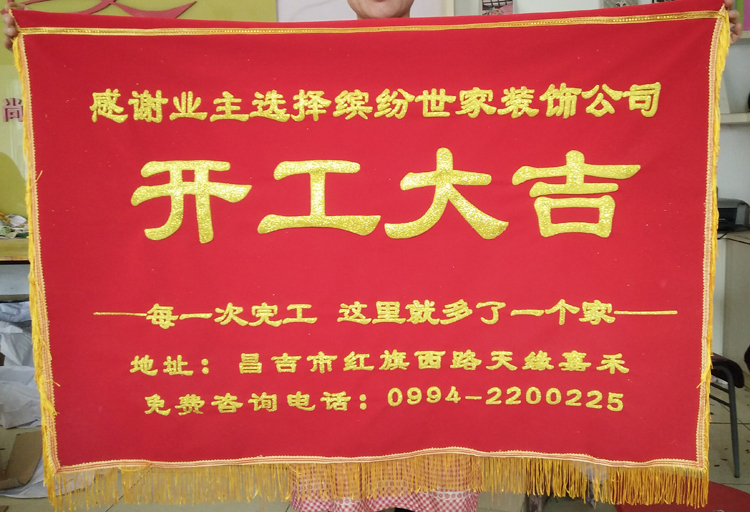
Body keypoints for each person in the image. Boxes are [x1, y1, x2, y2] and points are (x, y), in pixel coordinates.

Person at [1, 1, 744, 512]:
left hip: (433, 358)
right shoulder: (292, 67)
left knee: (438, 492)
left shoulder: (469, 62)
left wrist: (697, 34)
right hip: (330, 359)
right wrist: (44, 47)